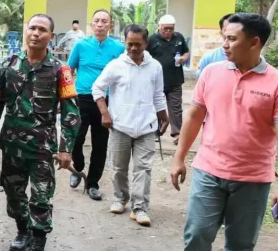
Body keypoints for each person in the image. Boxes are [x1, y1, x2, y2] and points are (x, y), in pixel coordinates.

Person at [168, 13, 278, 251]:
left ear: (254, 42)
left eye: (231, 39)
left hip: (253, 179)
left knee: (240, 246)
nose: (224, 44)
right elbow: (194, 116)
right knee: (197, 235)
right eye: (223, 37)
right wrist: (179, 158)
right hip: (209, 171)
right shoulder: (211, 73)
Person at [0, 14, 80, 251]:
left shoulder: (60, 70)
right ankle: (23, 230)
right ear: (26, 31)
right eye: (32, 28)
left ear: (51, 36)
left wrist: (66, 149)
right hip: (12, 145)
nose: (36, 33)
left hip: (42, 148)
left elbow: (71, 113)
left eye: (42, 30)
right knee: (14, 196)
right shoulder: (9, 64)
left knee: (41, 200)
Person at [92, 24, 169, 227]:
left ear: (146, 43)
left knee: (143, 168)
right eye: (130, 44)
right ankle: (120, 199)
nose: (133, 48)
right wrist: (105, 113)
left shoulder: (155, 67)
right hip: (120, 125)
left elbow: (158, 95)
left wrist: (164, 116)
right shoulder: (115, 66)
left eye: (138, 44)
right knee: (119, 167)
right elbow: (97, 88)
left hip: (147, 127)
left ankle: (140, 208)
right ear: (124, 42)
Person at [66, 8, 125, 200]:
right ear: (91, 24)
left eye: (104, 21)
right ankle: (78, 169)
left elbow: (124, 75)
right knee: (76, 138)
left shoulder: (118, 49)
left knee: (100, 144)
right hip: (81, 97)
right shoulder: (81, 45)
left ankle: (92, 183)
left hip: (106, 102)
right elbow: (68, 71)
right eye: (97, 21)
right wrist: (65, 97)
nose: (100, 24)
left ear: (110, 26)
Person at [146, 14, 189, 144]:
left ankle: (177, 134)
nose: (168, 31)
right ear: (159, 26)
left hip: (175, 79)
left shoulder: (179, 37)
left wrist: (184, 58)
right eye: (166, 28)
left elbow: (186, 52)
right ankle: (156, 132)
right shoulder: (152, 40)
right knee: (156, 107)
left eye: (171, 28)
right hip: (156, 81)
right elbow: (145, 56)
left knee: (176, 108)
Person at [196, 14, 232, 78]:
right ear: (221, 33)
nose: (231, 33)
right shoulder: (208, 58)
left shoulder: (248, 60)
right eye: (227, 30)